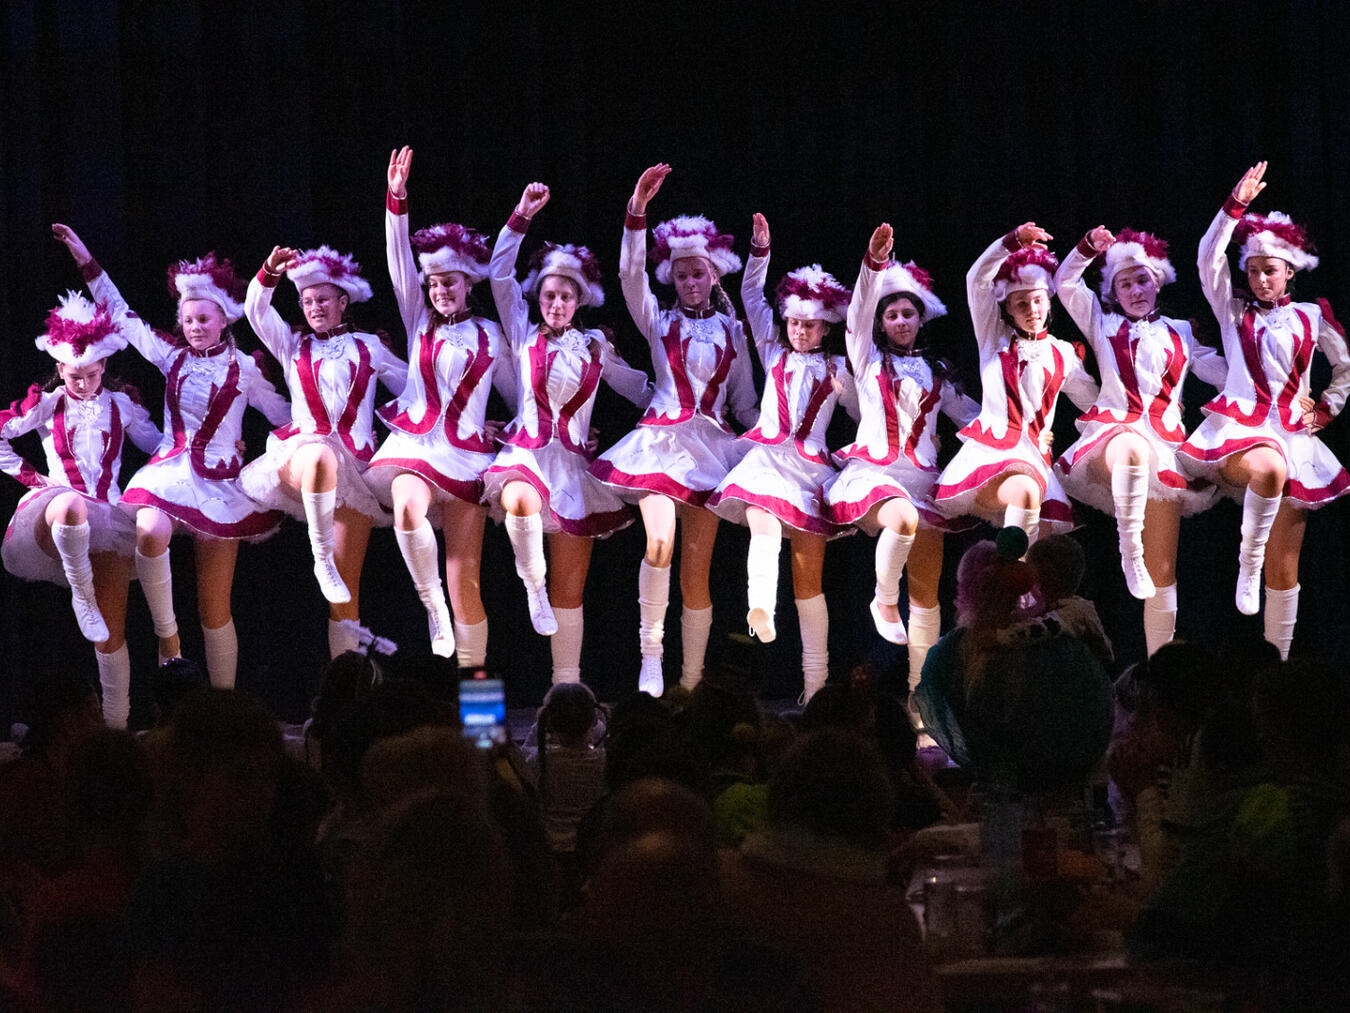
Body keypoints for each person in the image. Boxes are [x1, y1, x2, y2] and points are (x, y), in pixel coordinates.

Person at [54, 226, 291, 688]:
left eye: (204, 318)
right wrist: (85, 258)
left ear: (224, 320)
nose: (195, 326)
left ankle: (222, 702)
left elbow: (284, 413)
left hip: (223, 484)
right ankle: (170, 642)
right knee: (148, 527)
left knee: (214, 605)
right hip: (172, 470)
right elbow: (121, 316)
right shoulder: (170, 356)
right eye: (188, 320)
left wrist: (292, 444)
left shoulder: (246, 369)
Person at [590, 164, 759, 697]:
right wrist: (637, 210)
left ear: (714, 275)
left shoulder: (733, 330)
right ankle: (651, 657)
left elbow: (746, 404)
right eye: (681, 275)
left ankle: (689, 682)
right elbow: (628, 278)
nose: (689, 282)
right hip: (661, 445)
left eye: (698, 274)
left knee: (698, 574)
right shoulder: (659, 320)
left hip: (711, 450)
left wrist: (779, 443)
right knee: (659, 541)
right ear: (673, 279)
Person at [1178, 162, 1350, 658]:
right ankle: (1244, 564)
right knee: (1267, 467)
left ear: (1290, 270)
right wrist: (1235, 206)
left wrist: (1325, 411)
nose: (1258, 279)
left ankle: (1278, 667)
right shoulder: (1233, 312)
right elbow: (1208, 258)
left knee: (1287, 565)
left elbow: (1344, 367)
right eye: (1252, 270)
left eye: (1269, 270)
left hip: (1293, 435)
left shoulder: (1312, 316)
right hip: (1239, 429)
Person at [484, 182, 652, 687]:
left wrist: (686, 412)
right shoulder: (522, 333)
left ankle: (565, 691)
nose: (556, 302)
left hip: (575, 470)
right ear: (538, 298)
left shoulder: (596, 347)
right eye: (549, 294)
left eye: (566, 295)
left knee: (572, 593)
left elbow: (640, 389)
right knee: (518, 503)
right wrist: (520, 215)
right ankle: (530, 583)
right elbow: (498, 274)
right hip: (525, 454)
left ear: (580, 300)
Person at [365, 147, 513, 666]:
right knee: (406, 507)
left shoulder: (494, 335)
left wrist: (513, 430)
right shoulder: (419, 321)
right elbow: (397, 259)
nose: (438, 290)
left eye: (448, 281)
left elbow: (522, 397)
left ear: (469, 282)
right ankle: (431, 609)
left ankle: (483, 718)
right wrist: (397, 199)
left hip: (468, 455)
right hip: (415, 444)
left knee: (465, 580)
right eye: (433, 283)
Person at [824, 223, 979, 718]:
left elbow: (975, 419)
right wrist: (873, 264)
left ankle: (920, 697)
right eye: (891, 314)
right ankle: (881, 600)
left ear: (920, 317)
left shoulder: (938, 372)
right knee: (903, 522)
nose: (900, 320)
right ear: (882, 321)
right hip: (875, 472)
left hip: (924, 479)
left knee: (928, 595)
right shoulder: (867, 361)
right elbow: (855, 318)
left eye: (908, 312)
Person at [1053, 224, 1226, 652]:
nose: (1134, 290)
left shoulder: (1182, 330)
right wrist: (1087, 246)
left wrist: (1269, 395)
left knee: (1163, 569)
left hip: (1165, 449)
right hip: (1113, 436)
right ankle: (1127, 551)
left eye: (1142, 280)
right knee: (1130, 448)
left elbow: (1223, 372)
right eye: (1124, 283)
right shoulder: (1102, 323)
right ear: (1113, 292)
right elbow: (1065, 283)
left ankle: (1157, 668)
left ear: (1158, 281)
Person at [708, 213, 857, 703]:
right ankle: (759, 605)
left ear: (824, 328)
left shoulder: (837, 365)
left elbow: (861, 413)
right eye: (793, 322)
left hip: (811, 467)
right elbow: (752, 298)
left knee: (809, 580)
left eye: (808, 325)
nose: (798, 330)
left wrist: (848, 394)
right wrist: (760, 252)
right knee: (762, 522)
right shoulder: (772, 348)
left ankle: (815, 686)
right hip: (766, 455)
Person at [1, 294, 160, 726]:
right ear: (58, 370)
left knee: (112, 631)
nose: (84, 384)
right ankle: (81, 595)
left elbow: (163, 448)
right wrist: (33, 478)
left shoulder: (121, 406)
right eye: (74, 375)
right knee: (72, 503)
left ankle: (116, 725)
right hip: (57, 508)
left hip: (109, 517)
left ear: (104, 367)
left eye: (91, 374)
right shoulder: (49, 405)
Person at [242, 243, 407, 658]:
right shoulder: (293, 345)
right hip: (301, 455)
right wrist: (270, 270)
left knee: (346, 589)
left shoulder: (368, 346)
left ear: (342, 301)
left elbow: (414, 391)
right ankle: (319, 556)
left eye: (322, 299)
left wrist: (462, 419)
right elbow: (255, 310)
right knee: (319, 456)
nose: (314, 307)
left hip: (356, 470)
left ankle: (347, 685)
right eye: (307, 301)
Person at [934, 224, 1100, 545]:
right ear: (1007, 311)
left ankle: (1013, 588)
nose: (1032, 310)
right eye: (1021, 304)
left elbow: (1093, 404)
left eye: (1037, 301)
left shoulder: (1063, 353)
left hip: (1036, 458)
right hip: (993, 455)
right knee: (1024, 494)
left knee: (1042, 546)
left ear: (1049, 301)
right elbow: (976, 279)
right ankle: (1008, 576)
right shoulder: (994, 339)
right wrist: (1009, 243)